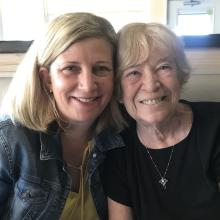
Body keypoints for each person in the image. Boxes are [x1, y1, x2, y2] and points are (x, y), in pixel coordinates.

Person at [0, 12, 125, 220]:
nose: (87, 85)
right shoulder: (9, 140)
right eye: (71, 68)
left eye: (101, 69)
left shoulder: (122, 137)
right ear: (47, 79)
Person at [102, 22, 220, 220]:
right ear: (119, 91)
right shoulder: (116, 148)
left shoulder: (216, 125)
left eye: (163, 67)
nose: (150, 85)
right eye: (133, 72)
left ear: (180, 76)